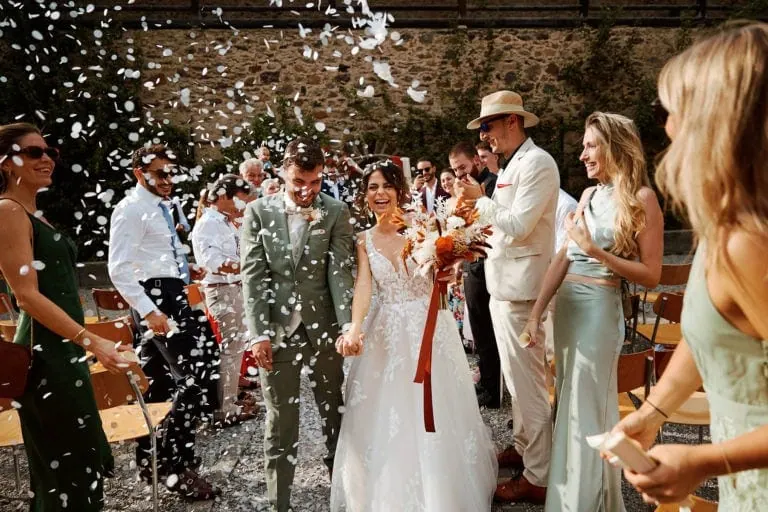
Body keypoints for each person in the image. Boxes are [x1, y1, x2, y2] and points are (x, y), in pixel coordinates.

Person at [613, 22, 768, 509]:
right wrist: (655, 411)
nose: (666, 127)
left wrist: (705, 461)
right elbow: (706, 336)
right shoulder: (724, 222)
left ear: (716, 120)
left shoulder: (750, 243)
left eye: (673, 110)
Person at [330, 160, 498, 511]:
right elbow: (364, 285)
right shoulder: (363, 240)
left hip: (429, 328)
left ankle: (442, 495)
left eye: (387, 186)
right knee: (388, 414)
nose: (380, 194)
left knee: (436, 408)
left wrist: (450, 267)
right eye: (373, 187)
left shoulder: (423, 226)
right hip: (386, 331)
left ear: (399, 190)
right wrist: (356, 327)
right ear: (364, 195)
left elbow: (446, 269)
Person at [522, 112, 663, 511]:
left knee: (585, 408)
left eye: (590, 145)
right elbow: (563, 258)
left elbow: (651, 274)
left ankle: (583, 503)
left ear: (614, 147)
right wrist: (536, 314)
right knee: (566, 403)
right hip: (566, 311)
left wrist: (596, 250)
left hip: (599, 313)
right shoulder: (586, 196)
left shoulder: (642, 198)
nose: (582, 154)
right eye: (583, 145)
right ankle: (572, 497)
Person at [0, 122, 131, 511]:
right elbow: (27, 297)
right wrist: (94, 340)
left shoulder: (34, 214)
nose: (47, 159)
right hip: (46, 357)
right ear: (6, 163)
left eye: (49, 152)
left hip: (63, 353)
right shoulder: (8, 211)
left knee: (80, 459)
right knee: (64, 468)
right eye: (34, 152)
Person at [240, 136, 355, 512]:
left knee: (335, 416)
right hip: (277, 334)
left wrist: (348, 328)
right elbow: (254, 277)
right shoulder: (257, 212)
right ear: (282, 174)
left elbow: (339, 275)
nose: (307, 191)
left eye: (315, 182)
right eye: (298, 183)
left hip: (324, 331)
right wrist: (258, 334)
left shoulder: (336, 211)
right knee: (280, 422)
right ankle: (279, 504)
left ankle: (342, 496)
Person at [458, 90, 559, 504]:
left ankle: (538, 476)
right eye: (482, 127)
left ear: (513, 122)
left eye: (488, 125)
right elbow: (500, 229)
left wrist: (481, 204)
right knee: (516, 385)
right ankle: (524, 447)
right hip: (505, 288)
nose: (485, 134)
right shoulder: (514, 164)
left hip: (524, 293)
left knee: (529, 387)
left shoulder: (538, 163)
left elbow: (517, 225)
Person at [108, 143, 221, 500]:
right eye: (161, 173)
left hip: (168, 293)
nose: (169, 179)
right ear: (140, 173)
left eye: (172, 172)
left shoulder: (161, 207)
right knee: (193, 378)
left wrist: (185, 272)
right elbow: (119, 268)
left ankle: (150, 460)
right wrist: (149, 310)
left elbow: (156, 257)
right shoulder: (130, 210)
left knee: (158, 383)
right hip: (155, 301)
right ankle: (177, 467)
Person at [190, 174, 258, 427]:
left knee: (237, 346)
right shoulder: (208, 223)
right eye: (238, 200)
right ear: (221, 197)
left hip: (234, 288)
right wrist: (246, 266)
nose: (241, 206)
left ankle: (229, 400)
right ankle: (225, 409)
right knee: (231, 348)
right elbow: (211, 262)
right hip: (222, 289)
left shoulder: (226, 221)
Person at [448, 141, 502, 409]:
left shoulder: (492, 185)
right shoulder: (463, 187)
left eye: (462, 167)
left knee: (487, 330)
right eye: (455, 170)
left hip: (487, 265)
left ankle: (493, 390)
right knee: (479, 330)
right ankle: (485, 381)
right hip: (471, 263)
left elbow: (490, 224)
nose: (459, 174)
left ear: (476, 162)